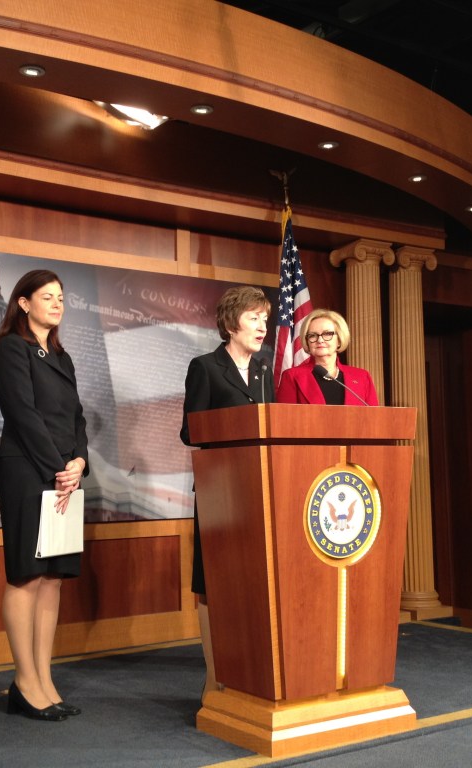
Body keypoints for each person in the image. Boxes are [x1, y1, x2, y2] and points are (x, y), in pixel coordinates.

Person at [0, 268, 88, 722]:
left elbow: (78, 417)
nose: (57, 303)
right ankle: (24, 681)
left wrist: (79, 462)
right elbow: (24, 415)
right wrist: (57, 467)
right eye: (47, 296)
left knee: (53, 578)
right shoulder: (12, 349)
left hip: (64, 475)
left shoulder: (62, 357)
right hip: (28, 472)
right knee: (27, 575)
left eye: (61, 298)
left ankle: (44, 679)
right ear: (24, 303)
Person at [179, 285, 274, 700]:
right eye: (255, 318)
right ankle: (214, 677)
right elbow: (190, 430)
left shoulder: (264, 371)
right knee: (214, 582)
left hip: (258, 492)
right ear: (232, 322)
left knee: (252, 580)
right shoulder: (205, 367)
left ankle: (249, 673)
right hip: (220, 491)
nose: (262, 327)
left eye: (265, 319)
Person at [276, 308, 378, 406]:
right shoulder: (292, 377)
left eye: (327, 334)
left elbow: (375, 419)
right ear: (307, 341)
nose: (320, 340)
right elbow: (285, 419)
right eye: (313, 335)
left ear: (339, 339)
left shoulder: (362, 377)